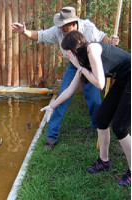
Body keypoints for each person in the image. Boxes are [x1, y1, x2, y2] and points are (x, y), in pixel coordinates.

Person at [11, 6, 119, 151]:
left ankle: (98, 129)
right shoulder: (58, 30)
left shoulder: (88, 28)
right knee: (62, 96)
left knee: (94, 100)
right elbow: (39, 35)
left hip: (90, 65)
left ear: (74, 23)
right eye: (60, 25)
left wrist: (111, 41)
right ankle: (51, 137)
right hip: (74, 65)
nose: (61, 29)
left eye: (65, 26)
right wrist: (24, 31)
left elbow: (103, 38)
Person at [45, 30, 130, 186]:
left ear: (72, 50)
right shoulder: (83, 63)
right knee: (101, 119)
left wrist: (79, 66)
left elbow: (100, 84)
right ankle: (104, 161)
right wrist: (52, 105)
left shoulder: (92, 49)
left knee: (119, 127)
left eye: (67, 53)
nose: (66, 56)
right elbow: (69, 90)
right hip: (123, 79)